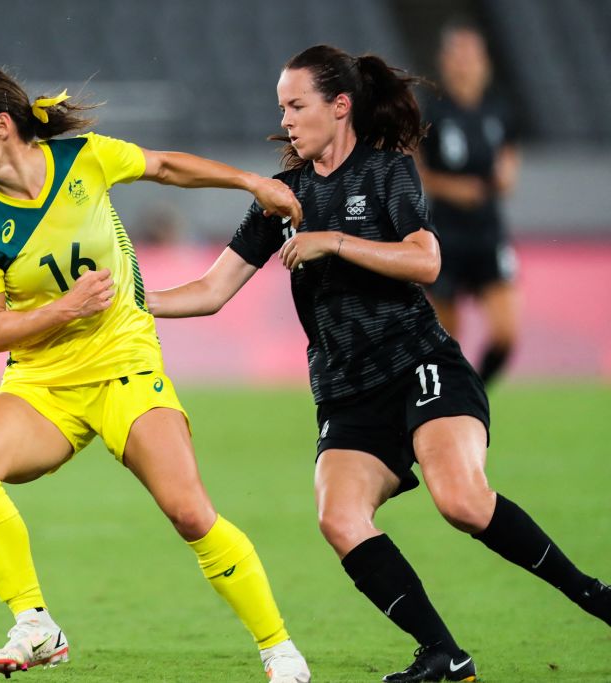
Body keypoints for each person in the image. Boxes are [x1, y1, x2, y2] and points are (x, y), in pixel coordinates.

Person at [146, 45, 610, 682]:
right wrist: (128, 303)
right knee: (339, 518)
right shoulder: (283, 197)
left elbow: (426, 261)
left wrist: (333, 240)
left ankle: (593, 596)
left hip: (419, 363)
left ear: (340, 107)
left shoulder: (386, 170)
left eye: (296, 105)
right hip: (345, 391)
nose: (285, 119)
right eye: (281, 107)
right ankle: (444, 653)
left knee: (462, 501)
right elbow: (210, 290)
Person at [0, 67, 311, 682]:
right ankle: (36, 625)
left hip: (126, 367)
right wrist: (66, 308)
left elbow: (165, 167)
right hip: (43, 384)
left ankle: (280, 651)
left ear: (2, 127)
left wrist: (251, 183)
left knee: (190, 513)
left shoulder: (84, 158)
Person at [415, 21, 520, 386]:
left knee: (506, 334)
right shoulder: (433, 112)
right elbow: (418, 168)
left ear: (485, 62)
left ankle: (475, 391)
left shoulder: (498, 109)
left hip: (488, 231)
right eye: (458, 55)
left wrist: (508, 170)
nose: (466, 63)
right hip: (446, 234)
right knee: (448, 338)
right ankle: (446, 403)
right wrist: (451, 188)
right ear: (445, 62)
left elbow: (508, 152)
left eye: (472, 55)